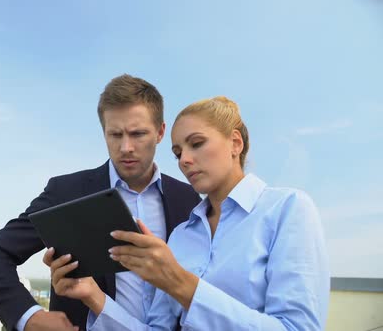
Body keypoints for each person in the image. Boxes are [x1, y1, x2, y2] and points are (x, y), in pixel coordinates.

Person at [47, 96, 330, 330]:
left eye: (196, 143)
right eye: (177, 152)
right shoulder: (182, 234)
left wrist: (180, 282)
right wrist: (93, 296)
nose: (184, 160)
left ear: (235, 143)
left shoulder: (288, 209)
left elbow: (297, 327)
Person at [0, 74, 201, 331]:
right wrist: (30, 317)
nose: (126, 147)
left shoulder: (189, 198)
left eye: (138, 134)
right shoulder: (66, 191)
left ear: (160, 132)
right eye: (115, 134)